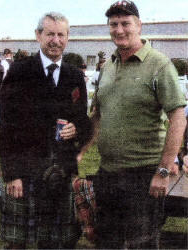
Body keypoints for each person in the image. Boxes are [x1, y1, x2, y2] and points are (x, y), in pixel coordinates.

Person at [78, 1, 187, 249]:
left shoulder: (159, 65)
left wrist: (163, 170)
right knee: (106, 241)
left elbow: (178, 119)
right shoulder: (107, 67)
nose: (119, 30)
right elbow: (97, 115)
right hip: (107, 173)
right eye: (113, 24)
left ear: (139, 25)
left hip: (143, 175)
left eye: (125, 23)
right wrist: (82, 152)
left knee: (142, 244)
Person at [0, 12, 92, 249]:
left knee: (56, 242)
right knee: (18, 243)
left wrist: (76, 128)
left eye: (61, 35)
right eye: (50, 33)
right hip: (26, 171)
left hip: (60, 173)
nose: (55, 40)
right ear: (38, 35)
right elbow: (6, 126)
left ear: (67, 38)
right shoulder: (19, 72)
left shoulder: (75, 76)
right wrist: (12, 174)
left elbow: (83, 120)